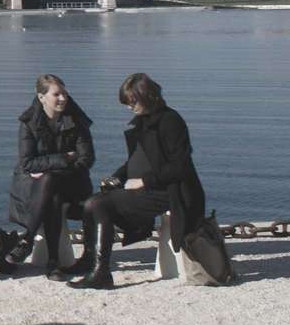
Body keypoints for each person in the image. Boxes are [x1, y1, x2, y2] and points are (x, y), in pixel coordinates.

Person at [69, 72, 205, 290]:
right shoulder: (144, 122)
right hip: (149, 188)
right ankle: (90, 261)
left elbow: (181, 167)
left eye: (132, 102)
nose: (128, 107)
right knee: (92, 202)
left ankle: (101, 272)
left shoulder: (170, 121)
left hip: (170, 192)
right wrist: (118, 177)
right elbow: (137, 159)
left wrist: (144, 181)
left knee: (98, 204)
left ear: (147, 96)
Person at [6, 73, 96, 280]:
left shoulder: (76, 120)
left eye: (64, 93)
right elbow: (27, 163)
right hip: (34, 186)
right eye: (57, 94)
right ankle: (53, 262)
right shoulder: (29, 123)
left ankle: (27, 240)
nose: (63, 98)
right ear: (41, 97)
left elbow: (86, 159)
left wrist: (55, 168)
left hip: (73, 182)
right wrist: (65, 157)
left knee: (51, 181)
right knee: (52, 193)